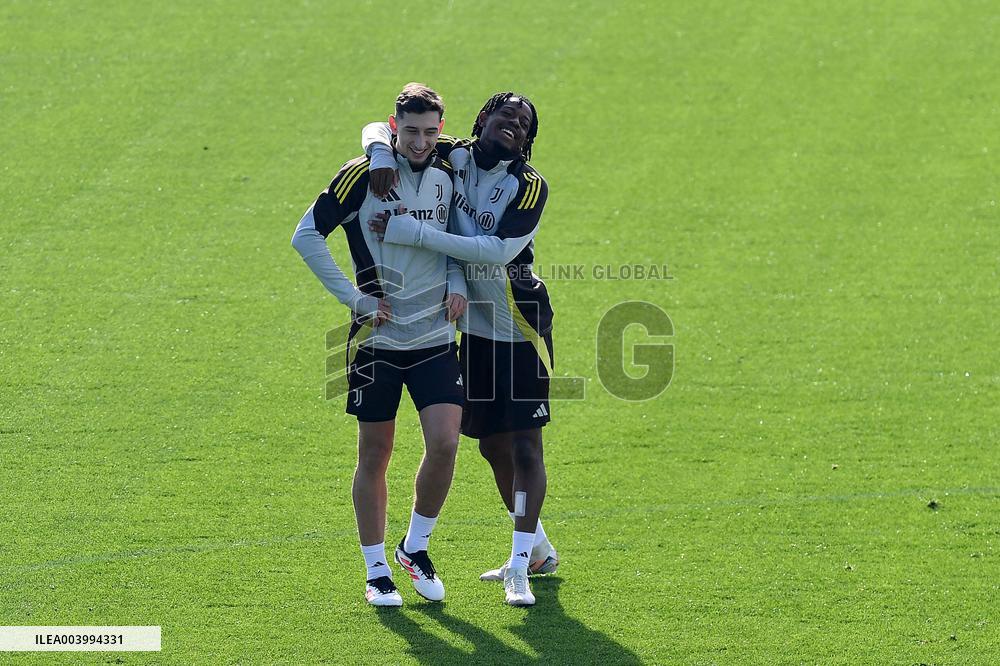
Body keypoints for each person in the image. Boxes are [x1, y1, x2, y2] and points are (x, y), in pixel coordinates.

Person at [363, 92, 557, 606]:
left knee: (525, 448)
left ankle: (519, 566)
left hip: (519, 326)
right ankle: (538, 548)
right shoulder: (455, 154)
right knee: (491, 446)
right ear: (482, 120)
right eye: (506, 115)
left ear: (528, 138)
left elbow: (495, 252)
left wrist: (415, 233)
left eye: (523, 123)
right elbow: (383, 129)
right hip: (471, 328)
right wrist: (380, 154)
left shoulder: (529, 186)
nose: (513, 125)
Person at [291, 83, 468, 607]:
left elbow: (455, 237)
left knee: (446, 443)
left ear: (440, 129)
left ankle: (415, 547)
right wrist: (355, 299)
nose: (420, 142)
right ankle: (376, 572)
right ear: (394, 127)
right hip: (377, 338)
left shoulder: (450, 168)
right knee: (375, 452)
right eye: (410, 132)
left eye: (430, 132)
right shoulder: (361, 174)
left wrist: (457, 283)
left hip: (435, 334)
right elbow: (305, 236)